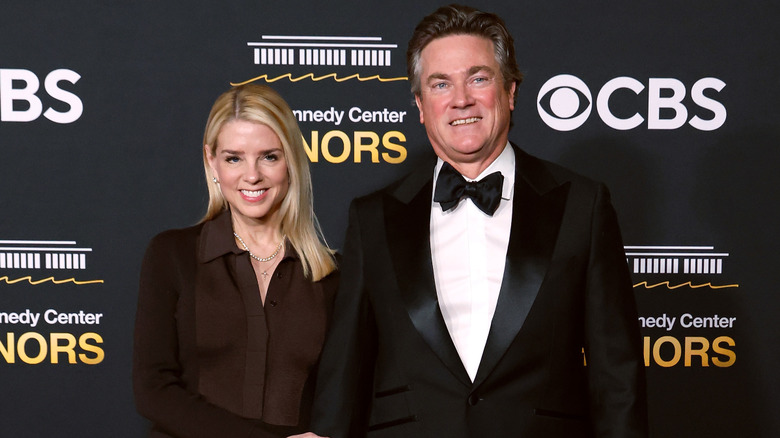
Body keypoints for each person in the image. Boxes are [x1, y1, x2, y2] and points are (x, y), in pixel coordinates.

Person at [304, 4, 647, 438]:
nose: (461, 99)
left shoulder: (582, 204)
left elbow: (616, 373)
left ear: (510, 91)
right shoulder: (373, 217)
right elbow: (345, 368)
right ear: (421, 105)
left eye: (478, 79)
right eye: (440, 84)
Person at [133, 84, 339, 438]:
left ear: (291, 160)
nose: (252, 175)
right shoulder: (172, 255)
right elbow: (154, 390)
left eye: (269, 156)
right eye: (234, 158)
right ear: (211, 160)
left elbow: (345, 396)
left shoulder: (332, 276)